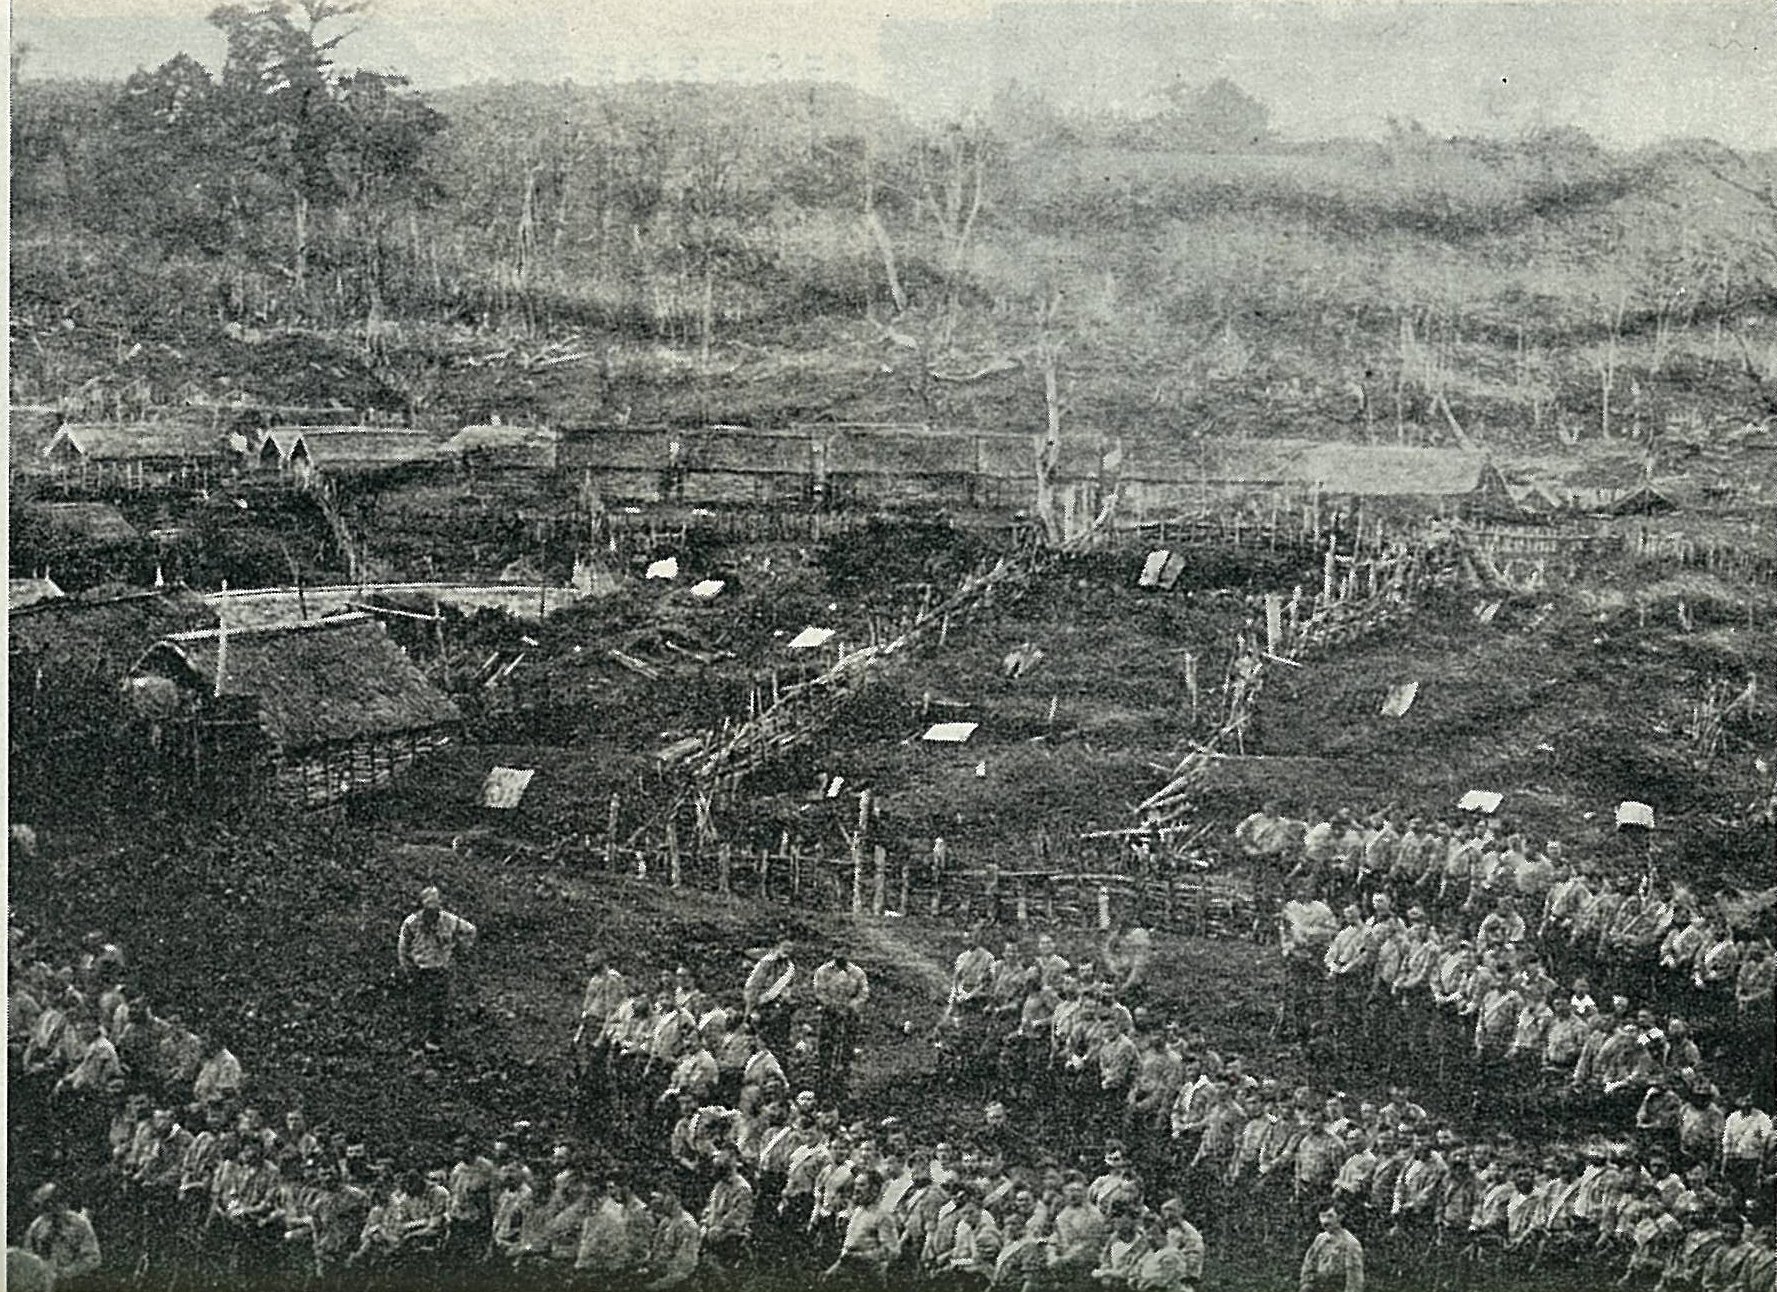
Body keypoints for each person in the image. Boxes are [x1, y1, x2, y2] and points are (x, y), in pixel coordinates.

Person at [396, 885, 478, 1047]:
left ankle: (434, 1043)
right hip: (420, 971)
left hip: (441, 970)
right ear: (422, 906)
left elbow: (471, 930)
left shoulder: (449, 920)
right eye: (429, 909)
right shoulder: (411, 922)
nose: (432, 914)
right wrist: (409, 969)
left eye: (435, 908)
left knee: (439, 1007)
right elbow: (402, 948)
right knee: (418, 1007)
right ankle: (416, 1043)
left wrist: (460, 947)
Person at [812, 951, 870, 1101]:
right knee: (826, 1045)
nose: (841, 955)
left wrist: (851, 1005)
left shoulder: (857, 973)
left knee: (847, 1045)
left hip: (849, 1015)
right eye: (838, 951)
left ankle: (843, 1080)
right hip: (830, 1014)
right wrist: (833, 1005)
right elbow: (819, 991)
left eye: (845, 952)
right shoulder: (823, 971)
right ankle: (824, 1080)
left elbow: (863, 992)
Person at [21, 1183, 102, 1290]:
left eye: (56, 1202)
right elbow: (28, 1257)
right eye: (47, 1206)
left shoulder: (80, 1224)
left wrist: (67, 1271)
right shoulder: (37, 1227)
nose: (53, 1208)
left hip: (74, 1283)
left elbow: (93, 1258)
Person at [1300, 1204, 1364, 1292]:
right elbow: (1309, 1265)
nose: (1325, 1221)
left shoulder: (1350, 1243)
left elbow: (1354, 1279)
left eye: (1330, 1216)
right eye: (1322, 1216)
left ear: (1340, 1217)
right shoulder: (1320, 1239)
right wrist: (1306, 1285)